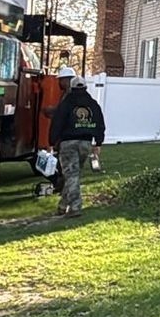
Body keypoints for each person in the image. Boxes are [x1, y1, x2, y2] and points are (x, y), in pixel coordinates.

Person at [47, 66, 105, 217]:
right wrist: (98, 143)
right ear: (85, 87)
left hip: (68, 144)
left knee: (71, 175)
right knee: (73, 174)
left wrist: (52, 141)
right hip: (86, 144)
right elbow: (100, 124)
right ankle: (62, 206)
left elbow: (57, 122)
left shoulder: (67, 103)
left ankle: (75, 207)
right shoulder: (93, 105)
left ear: (72, 87)